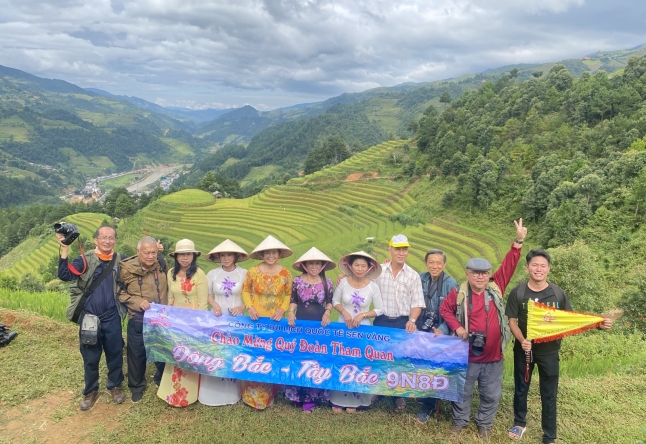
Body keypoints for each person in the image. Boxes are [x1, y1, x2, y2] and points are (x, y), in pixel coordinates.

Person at [505, 249, 613, 444]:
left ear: (549, 269)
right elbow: (512, 321)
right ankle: (519, 423)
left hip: (549, 351)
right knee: (521, 388)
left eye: (543, 266)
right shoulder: (518, 292)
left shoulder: (557, 293)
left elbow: (572, 320)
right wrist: (522, 341)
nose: (538, 269)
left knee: (549, 393)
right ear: (527, 267)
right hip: (524, 350)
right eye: (535, 265)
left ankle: (549, 435)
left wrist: (598, 324)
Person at [439, 219, 527, 441]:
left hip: (493, 356)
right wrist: (458, 328)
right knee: (462, 391)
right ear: (467, 273)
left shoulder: (496, 288)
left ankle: (484, 424)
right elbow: (445, 310)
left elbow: (509, 264)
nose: (480, 277)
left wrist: (518, 242)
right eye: (475, 273)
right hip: (466, 356)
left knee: (491, 394)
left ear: (489, 274)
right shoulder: (459, 294)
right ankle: (460, 421)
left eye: (484, 273)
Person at [57, 225, 127, 410]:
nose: (107, 241)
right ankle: (90, 390)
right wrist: (64, 247)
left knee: (115, 353)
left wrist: (158, 253)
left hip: (112, 316)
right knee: (90, 356)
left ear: (115, 241)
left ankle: (115, 385)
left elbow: (143, 264)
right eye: (103, 237)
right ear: (96, 240)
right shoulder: (85, 259)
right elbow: (64, 275)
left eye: (111, 238)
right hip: (89, 318)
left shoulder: (121, 260)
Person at [373, 234, 425, 411]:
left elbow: (417, 302)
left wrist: (412, 319)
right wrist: (343, 277)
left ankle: (398, 395)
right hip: (381, 320)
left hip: (402, 322)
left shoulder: (413, 276)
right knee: (380, 357)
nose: (401, 253)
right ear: (390, 250)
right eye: (397, 249)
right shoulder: (379, 271)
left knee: (400, 359)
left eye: (404, 249)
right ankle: (379, 390)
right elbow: (361, 281)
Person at [240, 235, 293, 410]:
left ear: (279, 254)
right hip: (255, 319)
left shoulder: (285, 273)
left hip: (275, 321)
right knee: (255, 355)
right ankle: (251, 395)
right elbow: (246, 291)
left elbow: (290, 295)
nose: (271, 256)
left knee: (271, 356)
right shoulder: (253, 271)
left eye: (274, 253)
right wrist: (249, 307)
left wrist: (282, 309)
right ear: (262, 255)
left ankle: (270, 394)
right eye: (267, 253)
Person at [330, 251, 383, 414]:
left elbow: (380, 309)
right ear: (350, 266)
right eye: (357, 265)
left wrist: (363, 314)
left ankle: (355, 399)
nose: (360, 269)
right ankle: (338, 398)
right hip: (343, 327)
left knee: (359, 363)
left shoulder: (373, 286)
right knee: (341, 360)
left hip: (363, 329)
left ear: (369, 268)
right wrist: (344, 312)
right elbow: (335, 301)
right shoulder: (344, 282)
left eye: (363, 266)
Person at [118, 236, 169, 403]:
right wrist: (137, 302)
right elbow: (119, 293)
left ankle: (162, 379)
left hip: (161, 318)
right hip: (139, 318)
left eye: (153, 252)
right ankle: (137, 386)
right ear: (138, 252)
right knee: (136, 353)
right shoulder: (125, 269)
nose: (150, 256)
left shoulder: (162, 263)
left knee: (163, 350)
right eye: (146, 252)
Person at [157, 239, 207, 407]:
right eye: (182, 255)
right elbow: (170, 298)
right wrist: (169, 321)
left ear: (193, 256)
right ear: (176, 256)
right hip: (176, 321)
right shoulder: (171, 273)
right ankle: (172, 392)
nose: (185, 258)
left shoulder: (199, 274)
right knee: (176, 355)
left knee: (190, 355)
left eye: (188, 254)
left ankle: (190, 394)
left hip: (192, 322)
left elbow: (202, 303)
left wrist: (197, 326)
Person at [199, 239, 249, 406]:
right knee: (216, 352)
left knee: (233, 353)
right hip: (217, 319)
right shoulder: (212, 274)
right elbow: (206, 294)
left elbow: (252, 295)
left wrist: (242, 306)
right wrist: (213, 303)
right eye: (222, 255)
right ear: (218, 257)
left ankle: (232, 393)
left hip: (236, 320)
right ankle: (213, 394)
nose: (226, 258)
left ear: (235, 257)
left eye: (229, 255)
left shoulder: (244, 273)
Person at [285, 247, 335, 413]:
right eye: (311, 263)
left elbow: (330, 301)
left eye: (317, 263)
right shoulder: (298, 281)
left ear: (322, 266)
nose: (314, 266)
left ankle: (312, 397)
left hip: (319, 326)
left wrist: (327, 312)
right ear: (305, 265)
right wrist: (290, 312)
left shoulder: (327, 282)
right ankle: (297, 395)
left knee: (316, 359)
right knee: (299, 358)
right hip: (300, 325)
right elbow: (293, 300)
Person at [416, 248, 459, 424]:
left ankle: (429, 405)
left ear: (444, 264)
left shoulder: (450, 284)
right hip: (421, 328)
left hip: (439, 332)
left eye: (439, 263)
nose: (435, 266)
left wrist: (441, 329)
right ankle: (422, 395)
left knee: (434, 369)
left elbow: (454, 311)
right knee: (419, 365)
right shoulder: (420, 278)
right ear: (426, 264)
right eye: (431, 262)